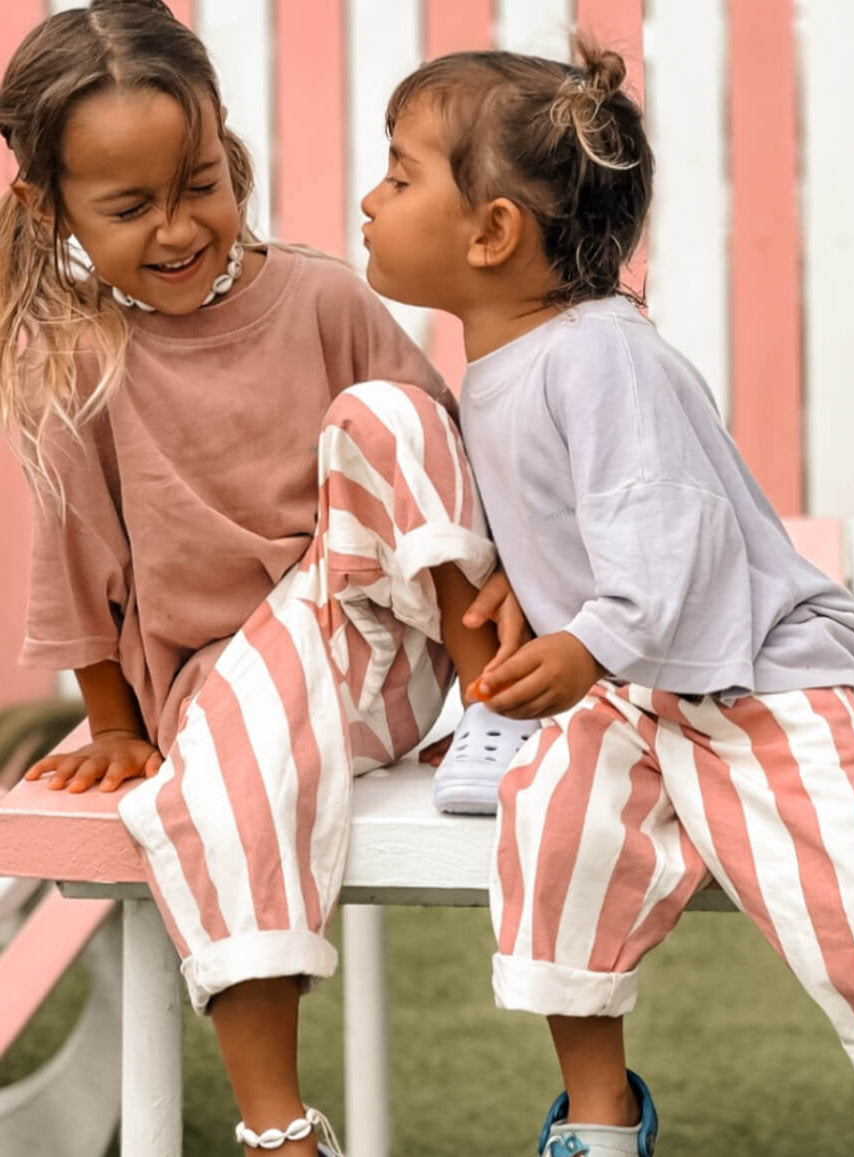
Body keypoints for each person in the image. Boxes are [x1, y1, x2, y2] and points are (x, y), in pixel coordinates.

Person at [361, 40, 854, 1157]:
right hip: (635, 689)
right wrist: (538, 602)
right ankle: (598, 1116)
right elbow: (567, 521)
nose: (369, 200)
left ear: (490, 234)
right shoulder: (506, 363)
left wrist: (589, 640)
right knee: (554, 833)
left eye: (397, 174)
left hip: (756, 670)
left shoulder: (599, 355)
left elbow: (668, 535)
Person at [0, 2, 532, 1152]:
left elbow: (440, 460)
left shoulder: (322, 295)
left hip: (389, 651)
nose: (179, 225)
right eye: (129, 207)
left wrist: (499, 625)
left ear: (226, 150)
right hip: (230, 704)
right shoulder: (74, 362)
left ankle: (505, 713)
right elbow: (79, 558)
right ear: (52, 208)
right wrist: (111, 718)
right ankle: (281, 1131)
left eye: (197, 182)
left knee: (387, 407)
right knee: (218, 753)